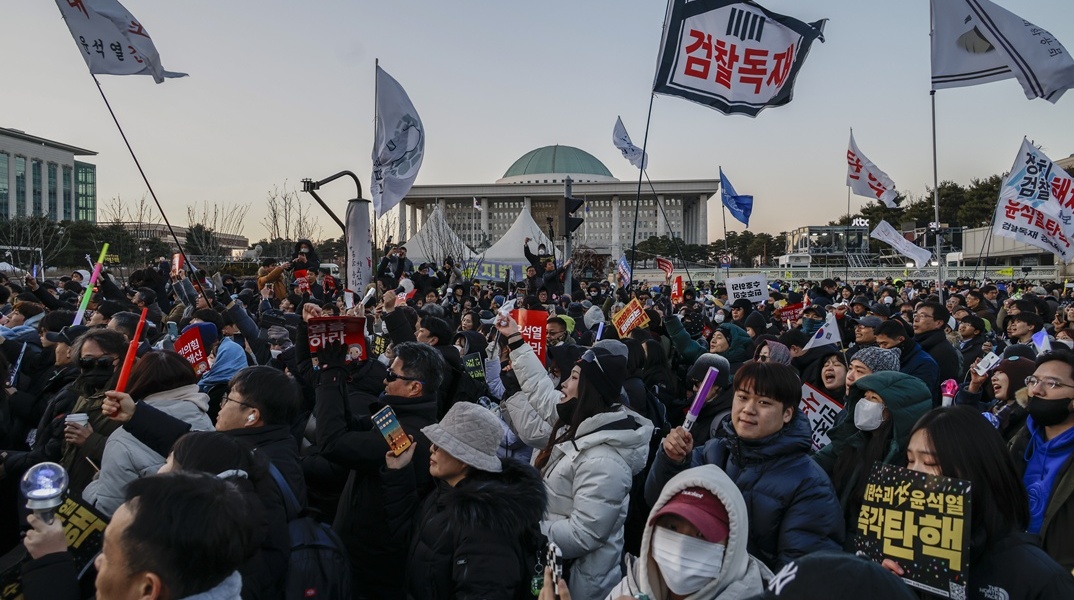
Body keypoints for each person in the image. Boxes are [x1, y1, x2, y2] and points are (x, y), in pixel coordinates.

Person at [498, 315, 653, 600]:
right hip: (554, 569)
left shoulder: (604, 460)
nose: (562, 384)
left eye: (573, 378)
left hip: (580, 584)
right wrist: (516, 339)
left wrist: (529, 527)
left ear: (589, 391)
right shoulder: (576, 423)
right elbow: (541, 391)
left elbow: (584, 534)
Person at [646, 362, 844, 571]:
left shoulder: (810, 485)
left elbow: (800, 577)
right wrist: (671, 461)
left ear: (787, 414)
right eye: (742, 397)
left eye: (764, 402)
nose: (748, 409)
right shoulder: (712, 453)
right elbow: (658, 502)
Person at [889, 406, 1074, 598]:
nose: (912, 474)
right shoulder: (901, 551)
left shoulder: (1040, 578)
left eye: (930, 463)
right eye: (910, 460)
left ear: (975, 468)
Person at [382, 401, 547, 599]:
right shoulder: (445, 493)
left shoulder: (486, 526)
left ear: (464, 459)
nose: (431, 449)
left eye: (441, 444)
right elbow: (413, 538)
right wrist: (399, 473)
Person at [317, 340, 441, 598]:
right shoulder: (398, 418)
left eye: (391, 375)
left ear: (414, 388)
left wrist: (331, 375)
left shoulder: (404, 436)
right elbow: (350, 425)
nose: (384, 381)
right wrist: (338, 375)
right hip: (362, 555)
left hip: (370, 568)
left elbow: (333, 442)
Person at [606, 465, 773, 600]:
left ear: (732, 547)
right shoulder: (633, 584)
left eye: (701, 534)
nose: (681, 546)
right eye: (672, 527)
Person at [83, 351, 214, 517]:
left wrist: (96, 484)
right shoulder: (204, 419)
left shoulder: (121, 440)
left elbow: (108, 510)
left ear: (138, 382)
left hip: (147, 535)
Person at [813, 371, 932, 543]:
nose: (864, 404)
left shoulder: (908, 462)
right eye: (865, 396)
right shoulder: (852, 440)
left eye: (873, 399)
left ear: (896, 410)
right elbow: (815, 465)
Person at [1009, 350, 1074, 570]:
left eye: (1053, 384)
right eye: (1033, 380)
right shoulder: (1019, 440)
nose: (1037, 390)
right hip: (1010, 563)